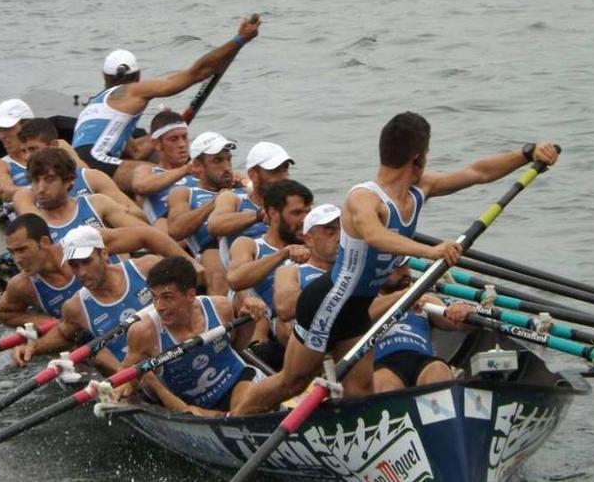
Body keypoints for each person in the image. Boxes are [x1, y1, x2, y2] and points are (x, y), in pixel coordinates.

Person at [231, 112, 560, 414]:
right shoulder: (363, 197)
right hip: (327, 303)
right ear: (418, 156)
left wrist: (526, 155)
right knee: (292, 381)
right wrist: (429, 252)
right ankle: (237, 422)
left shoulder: (422, 188)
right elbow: (375, 236)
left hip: (359, 309)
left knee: (359, 392)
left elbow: (477, 173)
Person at [70, 15, 261, 194]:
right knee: (165, 175)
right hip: (96, 160)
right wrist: (240, 40)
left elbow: (135, 151)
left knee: (157, 167)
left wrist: (165, 130)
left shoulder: (94, 106)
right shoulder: (132, 90)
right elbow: (197, 73)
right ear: (138, 76)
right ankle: (234, 188)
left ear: (104, 77)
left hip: (79, 161)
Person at [0, 214, 201, 328]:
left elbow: (147, 235)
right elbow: (2, 313)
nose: (17, 260)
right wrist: (44, 322)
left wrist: (191, 264)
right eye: (12, 253)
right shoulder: (22, 285)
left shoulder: (85, 241)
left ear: (45, 242)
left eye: (23, 250)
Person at [121, 256, 265, 416]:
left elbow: (236, 347)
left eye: (167, 297)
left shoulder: (221, 307)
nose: (159, 306)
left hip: (238, 380)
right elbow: (126, 379)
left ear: (190, 295)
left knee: (241, 414)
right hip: (193, 410)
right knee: (197, 413)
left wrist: (249, 322)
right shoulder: (144, 333)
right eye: (154, 298)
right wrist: (125, 388)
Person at [10, 226, 160, 376]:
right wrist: (33, 348)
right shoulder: (75, 308)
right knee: (100, 356)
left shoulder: (146, 268)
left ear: (104, 253)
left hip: (176, 354)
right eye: (74, 265)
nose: (81, 272)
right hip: (140, 382)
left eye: (86, 261)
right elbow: (63, 336)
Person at [227, 180, 313, 350]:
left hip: (314, 315)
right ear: (273, 213)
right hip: (275, 321)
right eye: (296, 213)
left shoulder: (315, 245)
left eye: (307, 212)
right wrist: (283, 254)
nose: (305, 220)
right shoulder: (249, 244)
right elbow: (236, 279)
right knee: (286, 325)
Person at [370, 258, 473, 392]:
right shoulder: (367, 303)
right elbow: (358, 317)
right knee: (383, 385)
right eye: (396, 268)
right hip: (383, 364)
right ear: (377, 272)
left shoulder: (425, 300)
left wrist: (465, 312)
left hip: (421, 360)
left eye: (406, 265)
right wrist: (402, 297)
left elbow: (462, 326)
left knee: (439, 371)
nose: (404, 272)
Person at [11, 147, 147, 245]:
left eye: (50, 179)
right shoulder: (35, 227)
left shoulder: (98, 204)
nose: (40, 189)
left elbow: (148, 234)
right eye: (35, 180)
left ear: (68, 181)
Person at [18, 118, 146, 220]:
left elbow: (138, 214)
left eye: (33, 149)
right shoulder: (26, 195)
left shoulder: (90, 177)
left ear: (54, 146)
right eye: (23, 151)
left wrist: (115, 209)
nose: (27, 157)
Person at [166, 131, 237, 295]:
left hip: (251, 244)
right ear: (197, 166)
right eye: (218, 161)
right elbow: (176, 230)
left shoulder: (241, 188)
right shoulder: (184, 193)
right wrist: (216, 202)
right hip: (213, 251)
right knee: (215, 263)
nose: (227, 167)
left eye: (229, 159)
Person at [207, 141, 294, 268]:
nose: (284, 177)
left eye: (285, 169)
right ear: (253, 174)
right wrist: (258, 215)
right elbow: (214, 225)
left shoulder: (295, 206)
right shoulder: (233, 198)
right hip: (246, 276)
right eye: (275, 171)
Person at [271, 203, 341, 347]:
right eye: (329, 231)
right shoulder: (291, 271)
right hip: (316, 344)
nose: (340, 237)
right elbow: (285, 309)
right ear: (309, 239)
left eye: (344, 230)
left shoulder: (356, 267)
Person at [131, 110, 197, 232]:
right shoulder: (147, 170)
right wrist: (185, 170)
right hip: (171, 229)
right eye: (174, 139)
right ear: (157, 144)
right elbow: (141, 186)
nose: (182, 144)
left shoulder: (198, 171)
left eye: (184, 137)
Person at [0, 98, 35, 201]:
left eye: (7, 129)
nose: (1, 136)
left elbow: (78, 171)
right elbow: (5, 192)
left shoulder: (58, 148)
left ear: (27, 125)